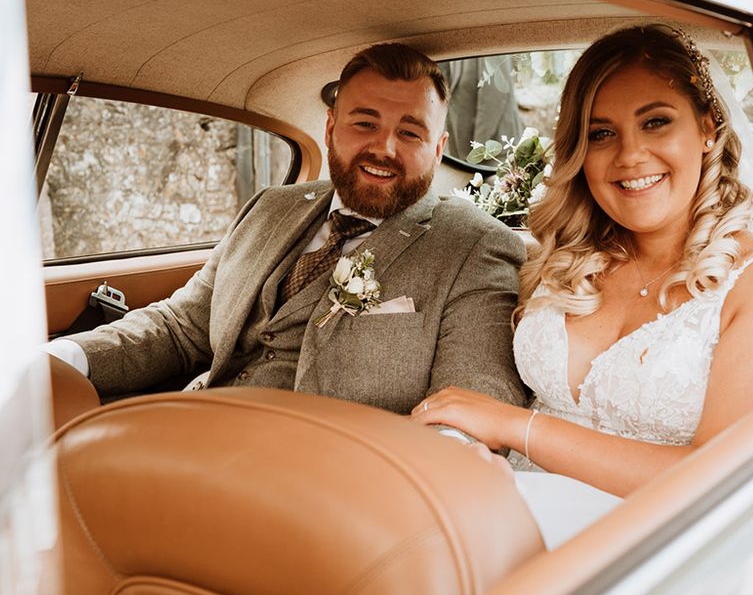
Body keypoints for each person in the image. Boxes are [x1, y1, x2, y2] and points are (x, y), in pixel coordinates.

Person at [412, 23, 753, 548]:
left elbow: (714, 481)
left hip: (643, 557)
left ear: (708, 128)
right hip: (497, 522)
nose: (629, 156)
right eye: (602, 133)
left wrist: (516, 427)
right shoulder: (564, 258)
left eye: (656, 122)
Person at [45, 43, 527, 415]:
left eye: (410, 132)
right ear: (331, 127)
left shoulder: (475, 246)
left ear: (438, 148)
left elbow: (472, 401)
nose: (384, 148)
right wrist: (64, 358)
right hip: (191, 424)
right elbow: (182, 328)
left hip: (321, 481)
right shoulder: (270, 207)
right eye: (365, 123)